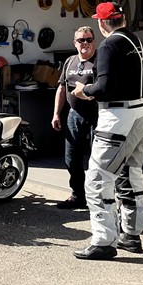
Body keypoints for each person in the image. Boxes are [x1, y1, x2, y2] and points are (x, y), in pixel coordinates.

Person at [71, 2, 143, 260]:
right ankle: (132, 234)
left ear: (102, 22)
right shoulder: (133, 39)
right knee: (130, 173)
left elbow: (104, 87)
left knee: (97, 179)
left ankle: (103, 241)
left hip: (119, 115)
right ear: (123, 19)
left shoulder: (108, 45)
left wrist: (85, 90)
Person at [50, 27, 98, 210]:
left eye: (89, 39)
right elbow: (62, 88)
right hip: (74, 114)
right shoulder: (70, 61)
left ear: (94, 41)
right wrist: (56, 113)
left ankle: (98, 199)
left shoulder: (100, 61)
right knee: (71, 157)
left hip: (97, 115)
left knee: (97, 159)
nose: (85, 43)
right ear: (75, 43)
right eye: (81, 40)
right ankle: (78, 196)